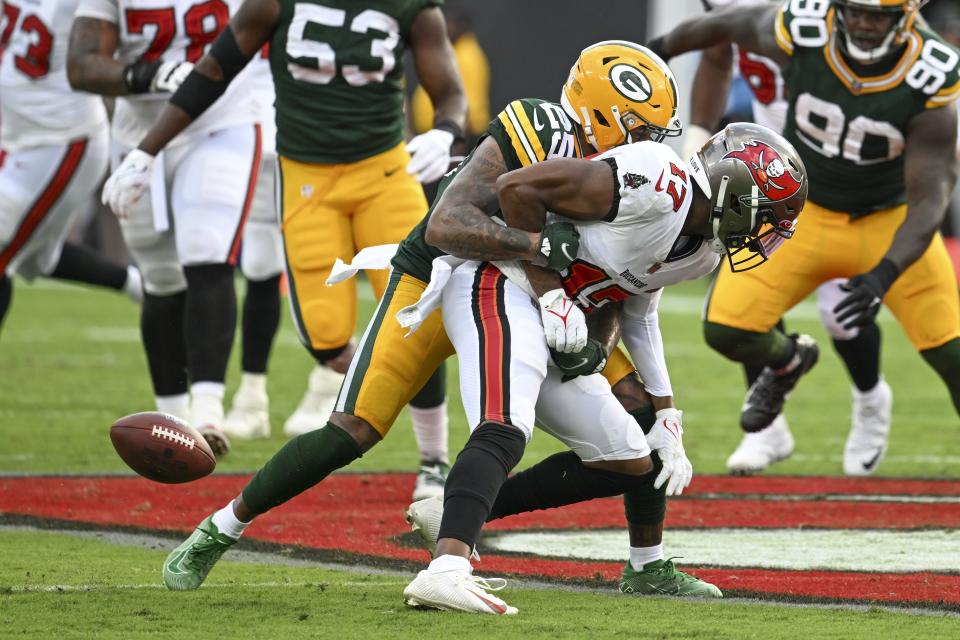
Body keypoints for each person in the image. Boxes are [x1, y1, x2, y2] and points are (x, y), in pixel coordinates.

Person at [151, 40, 718, 602]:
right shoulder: (541, 126)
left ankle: (645, 562)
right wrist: (542, 245)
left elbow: (626, 283)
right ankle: (220, 527)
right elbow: (447, 224)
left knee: (638, 416)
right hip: (446, 278)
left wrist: (642, 384)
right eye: (639, 128)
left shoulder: (636, 178)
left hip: (535, 293)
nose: (648, 144)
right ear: (598, 113)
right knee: (352, 431)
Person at [402, 121, 808, 615]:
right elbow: (516, 186)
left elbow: (639, 311)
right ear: (736, 191)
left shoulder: (701, 251)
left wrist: (666, 412)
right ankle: (445, 571)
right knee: (506, 426)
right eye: (763, 216)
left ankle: (452, 512)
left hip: (557, 319)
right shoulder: (656, 180)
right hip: (499, 285)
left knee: (629, 457)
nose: (763, 235)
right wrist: (551, 290)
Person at [97, 0, 469, 497]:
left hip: (383, 171)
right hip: (307, 176)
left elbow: (450, 90)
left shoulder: (411, 7)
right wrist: (147, 149)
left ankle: (432, 461)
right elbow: (213, 71)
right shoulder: (274, 3)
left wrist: (445, 132)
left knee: (415, 312)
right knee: (326, 338)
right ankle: (378, 370)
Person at [646, 0, 960, 471]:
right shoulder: (803, 29)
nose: (862, 23)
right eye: (853, 11)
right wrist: (658, 51)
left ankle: (871, 399)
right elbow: (727, 24)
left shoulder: (929, 75)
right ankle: (788, 361)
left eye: (876, 15)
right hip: (805, 214)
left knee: (951, 351)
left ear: (907, 15)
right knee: (728, 327)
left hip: (886, 217)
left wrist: (883, 275)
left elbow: (931, 199)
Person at [683, 0, 890, 477]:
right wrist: (696, 136)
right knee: (746, 295)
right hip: (767, 170)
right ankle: (768, 430)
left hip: (844, 170)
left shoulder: (821, 15)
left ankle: (870, 398)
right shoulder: (732, 12)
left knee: (843, 312)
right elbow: (717, 55)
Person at [68, 0, 267, 457]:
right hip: (139, 129)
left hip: (223, 123)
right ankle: (170, 421)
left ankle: (208, 410)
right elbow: (80, 66)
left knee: (208, 252)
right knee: (160, 278)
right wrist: (146, 75)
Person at [0, 0, 142, 338]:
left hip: (62, 140)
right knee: (35, 257)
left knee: (6, 252)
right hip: (14, 133)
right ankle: (139, 286)